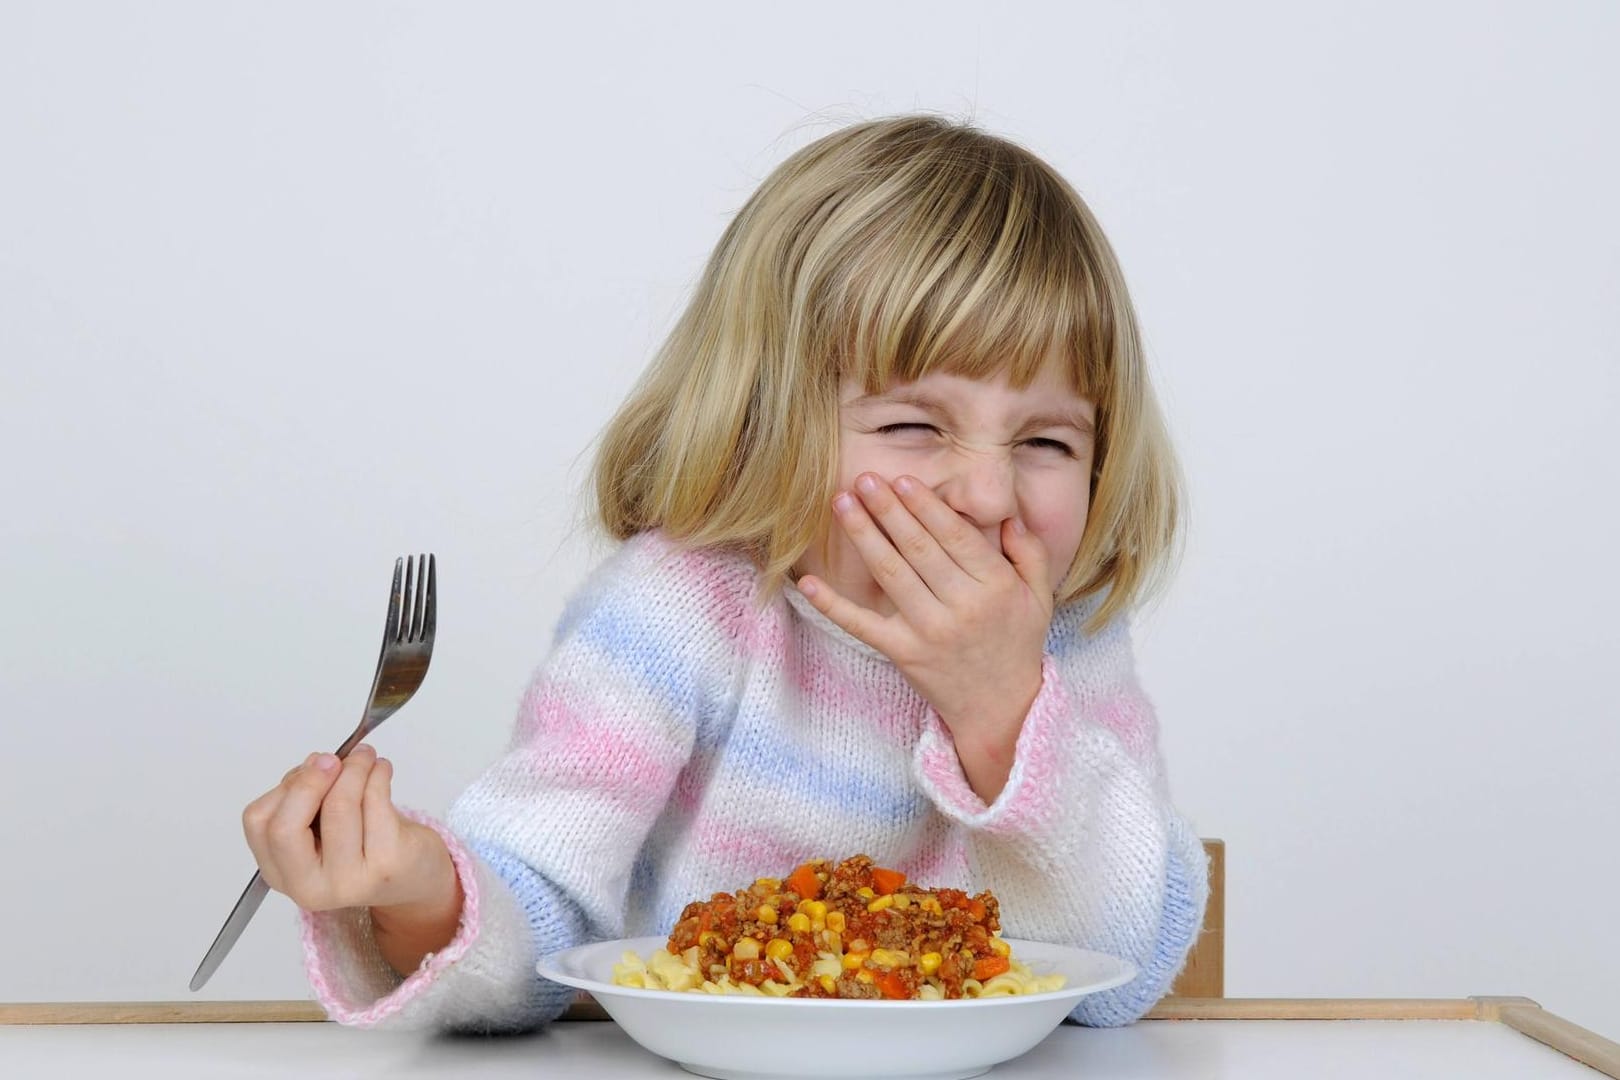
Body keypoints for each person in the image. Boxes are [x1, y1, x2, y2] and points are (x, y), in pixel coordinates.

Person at [242, 113, 1208, 1032]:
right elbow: (535, 932)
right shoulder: (678, 613)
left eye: (1045, 440)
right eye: (914, 426)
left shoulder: (1059, 631)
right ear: (763, 425)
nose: (990, 495)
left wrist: (1004, 709)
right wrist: (414, 892)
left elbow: (1117, 973)